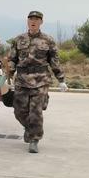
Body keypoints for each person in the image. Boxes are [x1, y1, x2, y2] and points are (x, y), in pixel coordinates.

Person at [8, 11, 67, 153]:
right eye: (31, 19)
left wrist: (61, 80)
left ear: (41, 22)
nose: (33, 21)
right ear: (27, 21)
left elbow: (54, 61)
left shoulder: (48, 40)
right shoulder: (18, 40)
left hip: (40, 80)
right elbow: (12, 59)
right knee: (19, 111)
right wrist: (7, 75)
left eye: (36, 19)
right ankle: (29, 128)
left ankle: (34, 139)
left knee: (36, 112)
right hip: (22, 80)